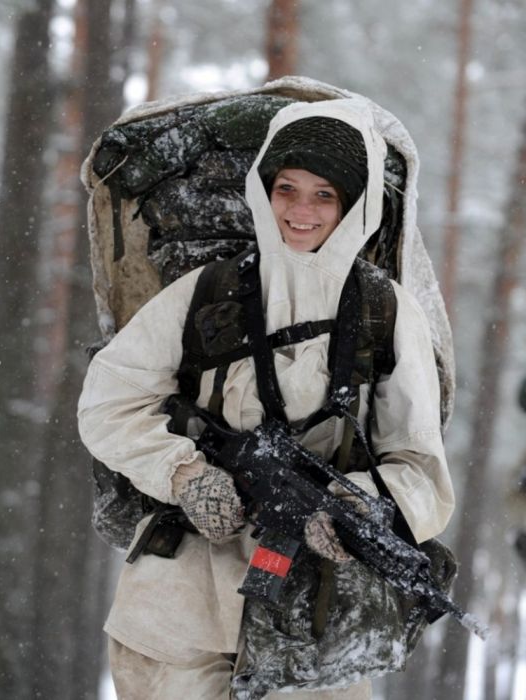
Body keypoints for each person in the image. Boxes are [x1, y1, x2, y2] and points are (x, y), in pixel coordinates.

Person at [78, 97, 455, 699]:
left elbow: (422, 470)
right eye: (287, 188)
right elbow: (109, 403)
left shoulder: (386, 311)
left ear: (354, 204)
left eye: (325, 195)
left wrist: (361, 506)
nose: (301, 211)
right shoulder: (208, 291)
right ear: (263, 189)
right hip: (181, 598)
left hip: (318, 617)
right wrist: (184, 475)